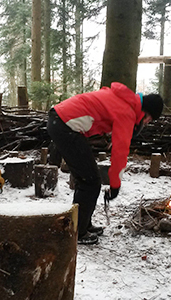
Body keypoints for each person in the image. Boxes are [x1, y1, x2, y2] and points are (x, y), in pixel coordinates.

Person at [47, 82, 163, 245]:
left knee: (87, 179)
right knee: (90, 181)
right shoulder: (127, 111)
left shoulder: (125, 102)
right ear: (145, 112)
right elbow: (120, 152)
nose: (147, 123)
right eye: (149, 119)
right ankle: (78, 232)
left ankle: (82, 225)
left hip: (61, 121)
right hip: (64, 125)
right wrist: (115, 185)